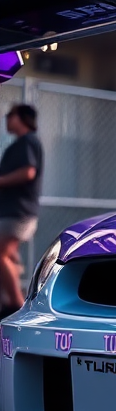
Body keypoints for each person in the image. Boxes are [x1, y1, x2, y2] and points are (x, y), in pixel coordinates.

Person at [0, 104, 43, 317]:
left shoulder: (27, 142)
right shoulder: (19, 145)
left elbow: (28, 172)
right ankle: (9, 298)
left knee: (1, 255)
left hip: (18, 212)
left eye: (10, 116)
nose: (6, 120)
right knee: (9, 257)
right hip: (11, 212)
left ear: (21, 118)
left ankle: (16, 305)